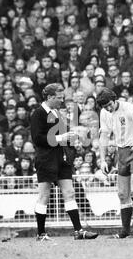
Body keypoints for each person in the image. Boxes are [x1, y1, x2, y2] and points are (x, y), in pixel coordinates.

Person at [30, 83, 98, 241]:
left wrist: (72, 140)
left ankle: (78, 231)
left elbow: (62, 135)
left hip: (61, 159)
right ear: (49, 97)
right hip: (46, 160)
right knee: (44, 196)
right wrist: (61, 137)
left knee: (70, 193)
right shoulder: (38, 114)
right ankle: (40, 233)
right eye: (59, 98)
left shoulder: (56, 113)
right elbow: (37, 139)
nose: (61, 101)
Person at [97, 88, 133, 238]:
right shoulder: (104, 113)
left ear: (114, 100)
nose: (108, 108)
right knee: (122, 194)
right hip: (121, 152)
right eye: (104, 107)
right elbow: (104, 136)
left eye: (109, 105)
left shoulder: (128, 108)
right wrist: (102, 160)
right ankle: (125, 231)